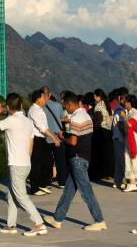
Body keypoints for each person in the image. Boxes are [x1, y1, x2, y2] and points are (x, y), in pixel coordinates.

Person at [43, 92, 106, 232]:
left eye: (65, 106)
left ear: (70, 104)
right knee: (69, 190)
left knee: (86, 191)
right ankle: (58, 218)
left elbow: (73, 141)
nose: (65, 110)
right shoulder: (86, 116)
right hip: (85, 156)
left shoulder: (76, 118)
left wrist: (61, 137)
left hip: (77, 157)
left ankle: (99, 220)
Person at [0, 94, 46, 237]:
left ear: (8, 107)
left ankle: (39, 224)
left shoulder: (11, 120)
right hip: (26, 163)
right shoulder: (28, 121)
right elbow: (31, 145)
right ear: (21, 105)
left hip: (16, 164)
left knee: (21, 196)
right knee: (11, 194)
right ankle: (11, 225)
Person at [27, 88, 60, 195]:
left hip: (42, 139)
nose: (45, 99)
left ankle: (42, 184)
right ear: (38, 99)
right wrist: (54, 138)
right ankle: (34, 188)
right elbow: (42, 128)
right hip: (36, 139)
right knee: (36, 164)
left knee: (48, 161)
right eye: (43, 97)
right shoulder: (34, 110)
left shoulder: (40, 109)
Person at [43, 87, 67, 189]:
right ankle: (62, 183)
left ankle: (47, 182)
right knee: (60, 161)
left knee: (47, 161)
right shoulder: (58, 105)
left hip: (45, 138)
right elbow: (62, 119)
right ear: (49, 94)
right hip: (58, 137)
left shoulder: (40, 107)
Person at [89, 89, 112, 182]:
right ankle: (109, 173)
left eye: (95, 96)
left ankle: (98, 174)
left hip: (100, 130)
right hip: (108, 131)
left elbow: (97, 120)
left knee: (98, 154)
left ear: (99, 96)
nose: (94, 98)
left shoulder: (98, 106)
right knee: (107, 154)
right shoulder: (106, 104)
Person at [108, 88, 128, 188]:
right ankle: (124, 181)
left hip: (116, 138)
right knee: (122, 160)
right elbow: (120, 125)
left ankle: (117, 181)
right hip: (120, 139)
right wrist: (126, 137)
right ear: (120, 99)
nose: (126, 101)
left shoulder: (118, 109)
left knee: (119, 161)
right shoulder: (121, 111)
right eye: (125, 99)